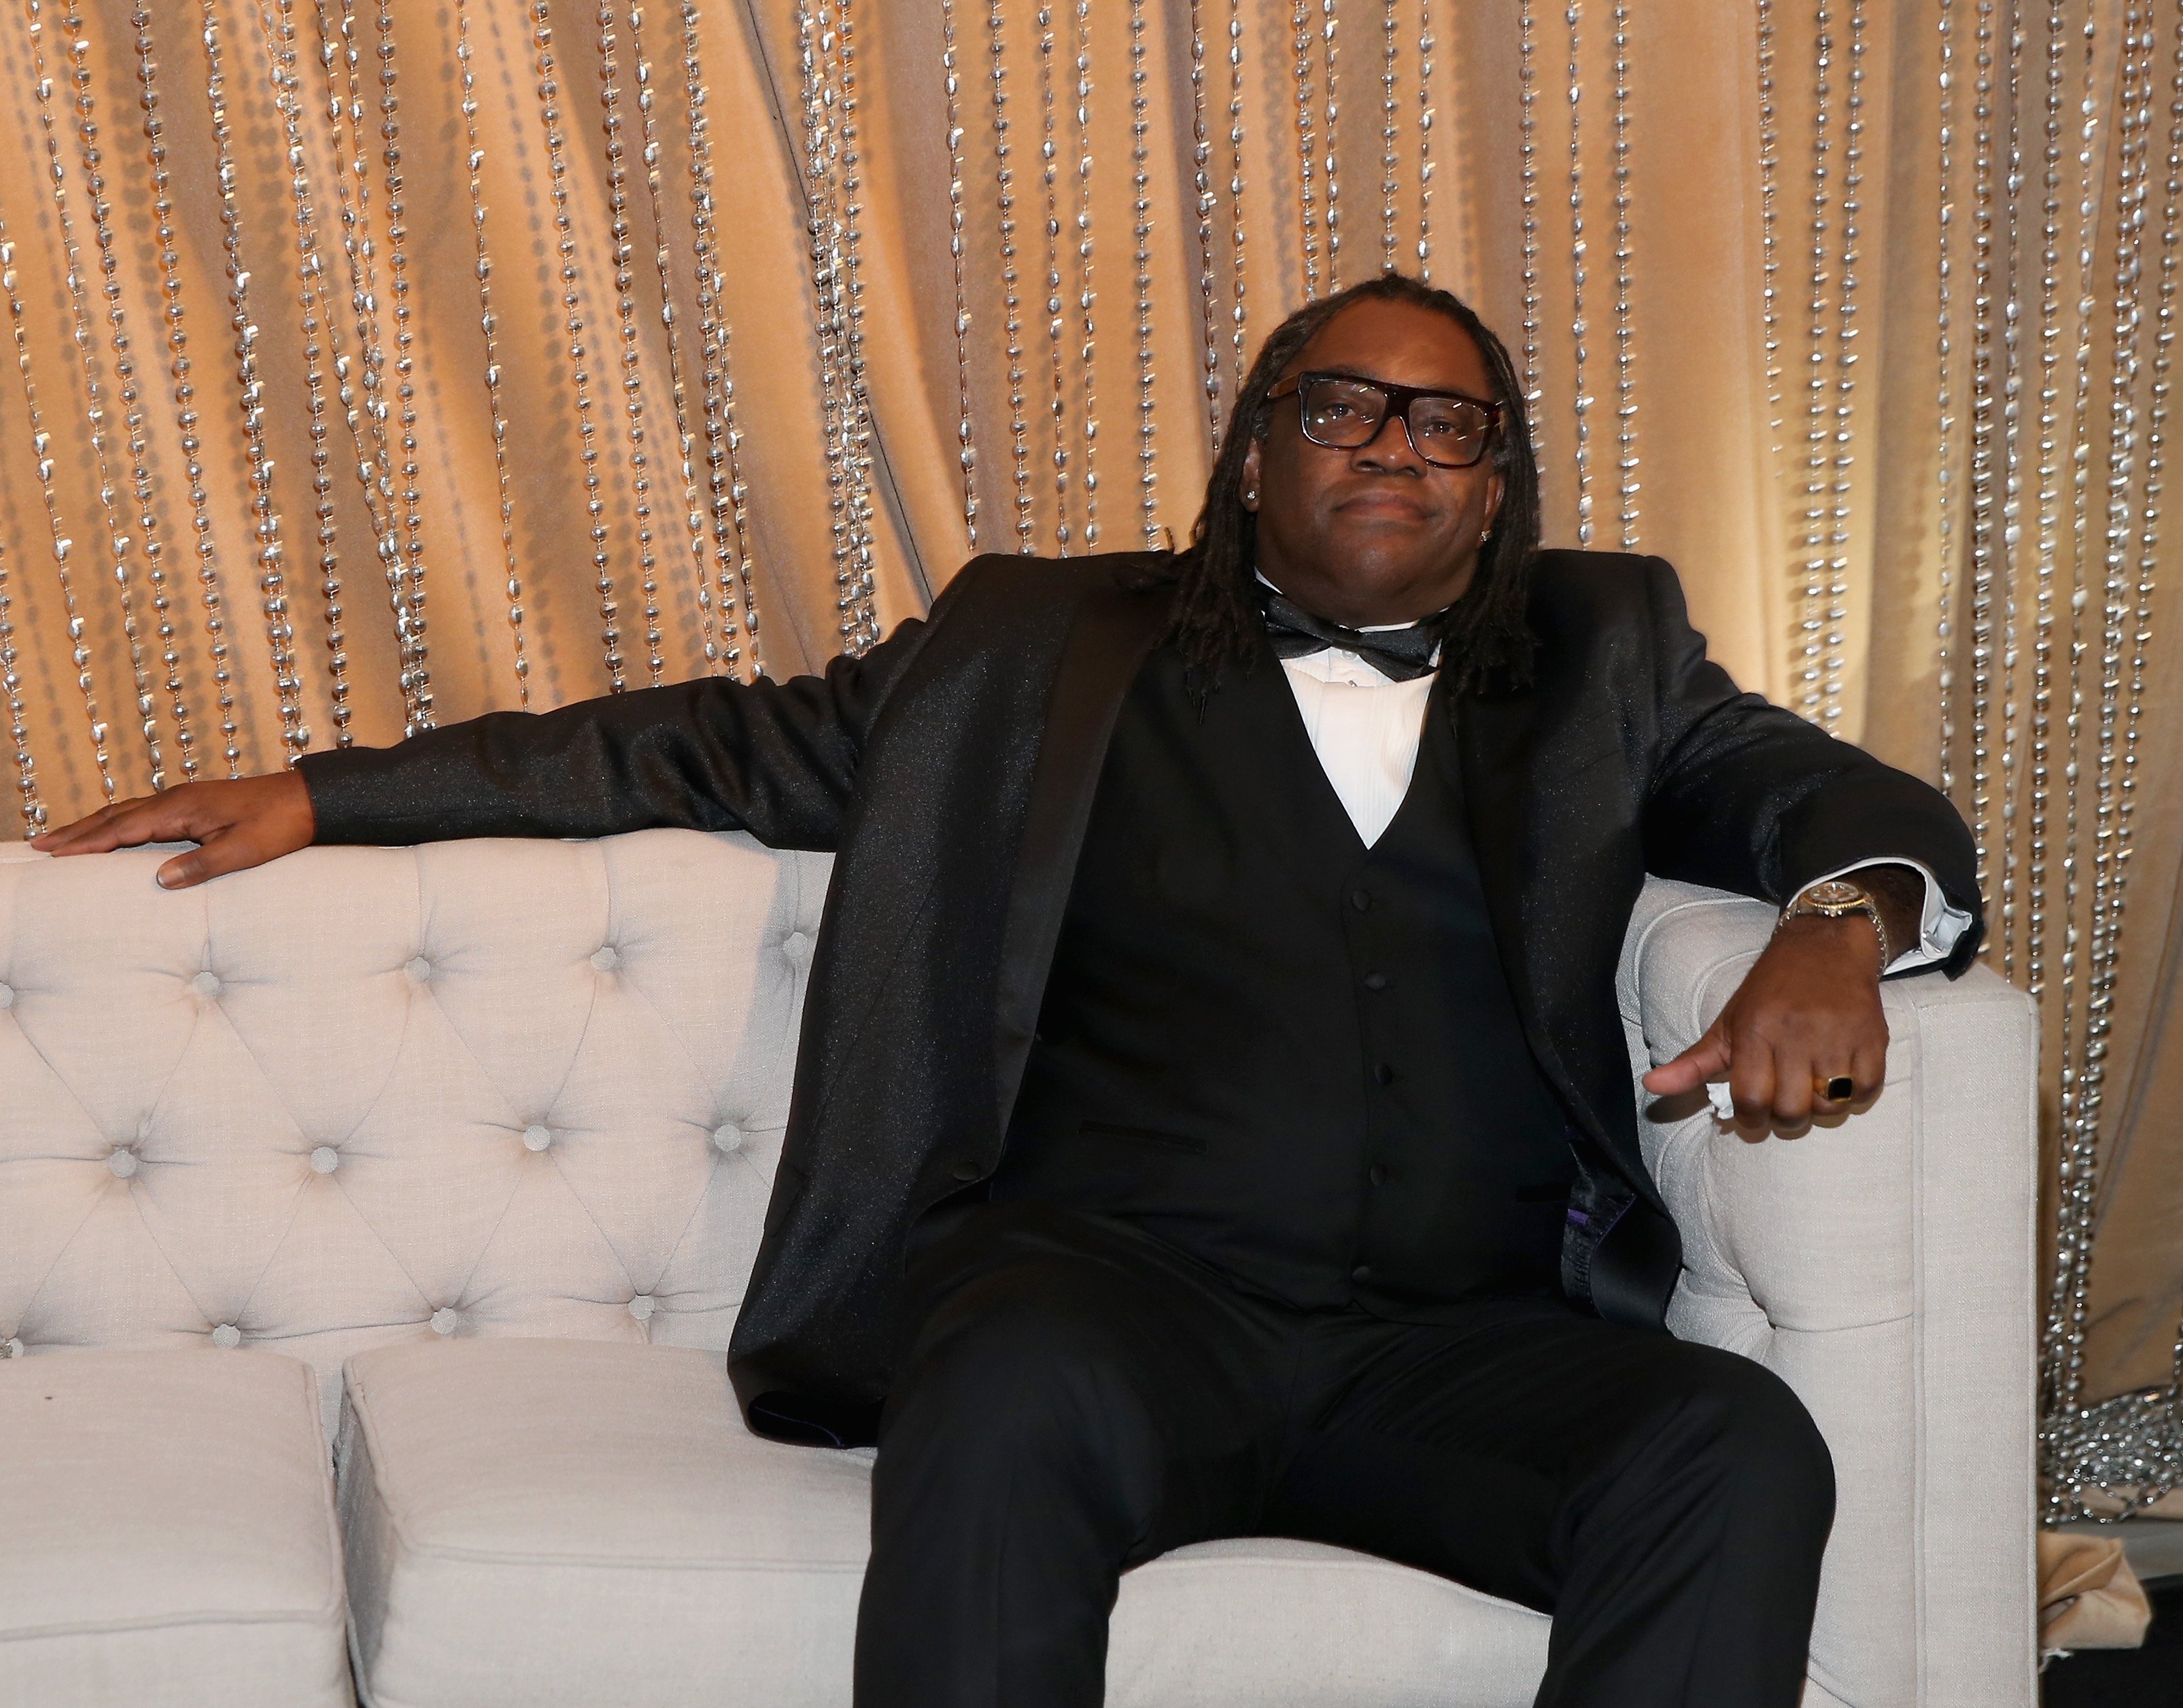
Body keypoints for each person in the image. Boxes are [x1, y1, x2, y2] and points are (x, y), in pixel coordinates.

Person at [37, 273, 1981, 1707]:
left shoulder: (1606, 646)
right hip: (1115, 1304)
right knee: (1003, 1385)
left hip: (1446, 1346)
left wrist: (1837, 915)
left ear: (1496, 493)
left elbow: (1834, 796)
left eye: (1447, 421)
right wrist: (325, 791)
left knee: (1733, 1444)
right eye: (1340, 405)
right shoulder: (1037, 645)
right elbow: (699, 746)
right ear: (1251, 455)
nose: (1394, 440)